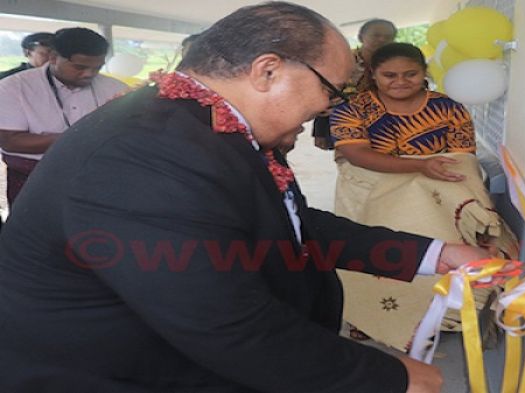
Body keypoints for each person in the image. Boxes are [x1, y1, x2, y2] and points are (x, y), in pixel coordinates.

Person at [0, 3, 491, 392]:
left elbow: (289, 223)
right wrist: (385, 377)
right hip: (124, 372)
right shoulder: (145, 152)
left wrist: (436, 253)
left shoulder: (204, 123)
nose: (329, 105)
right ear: (268, 71)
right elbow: (221, 321)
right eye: (332, 89)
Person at [329, 43, 518, 350]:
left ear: (425, 73)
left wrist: (428, 174)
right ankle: (369, 318)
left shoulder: (448, 108)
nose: (400, 81)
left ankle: (449, 315)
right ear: (373, 75)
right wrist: (417, 167)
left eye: (410, 74)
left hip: (435, 187)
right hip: (372, 185)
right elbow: (357, 155)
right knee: (369, 245)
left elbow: (461, 157)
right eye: (389, 75)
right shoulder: (352, 109)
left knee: (445, 235)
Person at [0, 27, 127, 208]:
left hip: (99, 176)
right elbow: (10, 141)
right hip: (34, 178)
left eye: (97, 67)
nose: (89, 74)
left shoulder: (115, 88)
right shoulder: (13, 87)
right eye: (79, 67)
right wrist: (82, 138)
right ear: (53, 58)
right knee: (38, 233)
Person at [312, 18, 396, 150]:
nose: (382, 40)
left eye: (388, 37)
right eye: (376, 35)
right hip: (344, 125)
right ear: (361, 37)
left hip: (387, 127)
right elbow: (324, 92)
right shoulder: (341, 61)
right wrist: (320, 130)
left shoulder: (398, 63)